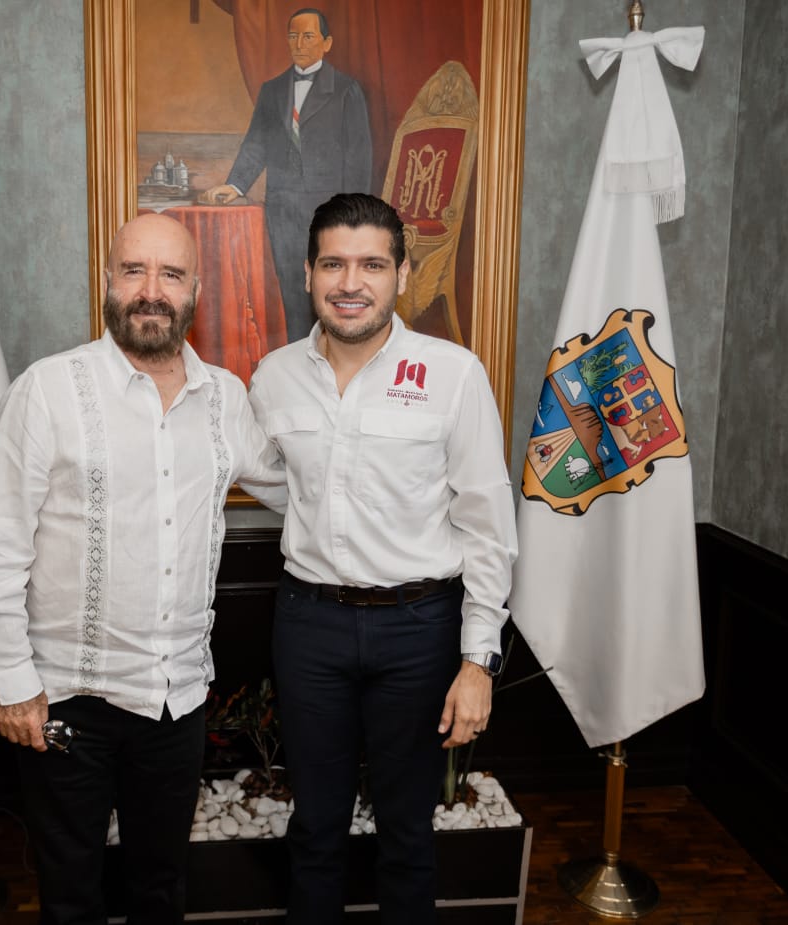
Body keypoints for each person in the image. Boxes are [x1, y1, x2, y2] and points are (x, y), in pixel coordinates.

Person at [0, 213, 284, 925]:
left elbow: (296, 485)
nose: (151, 290)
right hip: (67, 702)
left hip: (177, 700)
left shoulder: (224, 398)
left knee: (160, 888)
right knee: (71, 894)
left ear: (195, 292)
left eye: (171, 274)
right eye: (134, 270)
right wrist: (14, 686)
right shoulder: (48, 390)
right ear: (108, 281)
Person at [246, 193, 518, 923]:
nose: (350, 282)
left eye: (371, 264)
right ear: (308, 274)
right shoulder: (273, 376)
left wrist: (477, 662)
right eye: (333, 264)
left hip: (419, 628)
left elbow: (487, 523)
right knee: (315, 828)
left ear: (402, 273)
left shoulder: (453, 374)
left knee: (407, 831)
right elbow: (269, 477)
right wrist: (323, 509)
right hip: (309, 625)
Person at [198, 7, 372, 344]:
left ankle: (334, 356)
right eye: (293, 36)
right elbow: (256, 143)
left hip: (329, 211)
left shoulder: (346, 90)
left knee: (331, 290)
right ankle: (297, 357)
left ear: (327, 43)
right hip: (282, 208)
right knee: (291, 293)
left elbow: (358, 157)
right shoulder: (272, 90)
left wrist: (353, 213)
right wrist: (235, 185)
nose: (299, 44)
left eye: (308, 36)